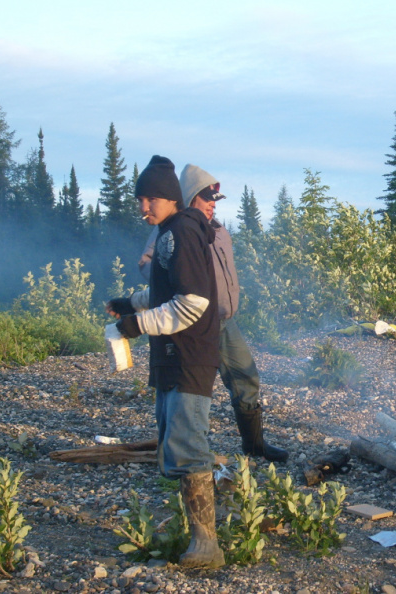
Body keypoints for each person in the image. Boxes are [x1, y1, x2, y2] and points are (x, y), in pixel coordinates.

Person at [106, 155, 224, 569]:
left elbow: (192, 302)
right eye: (140, 199)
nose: (143, 206)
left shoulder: (183, 233)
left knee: (189, 445)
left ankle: (207, 546)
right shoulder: (169, 232)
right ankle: (197, 536)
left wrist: (137, 325)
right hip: (173, 358)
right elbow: (165, 294)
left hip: (189, 356)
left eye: (149, 198)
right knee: (174, 443)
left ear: (171, 198)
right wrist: (129, 305)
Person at [177, 163, 287, 462]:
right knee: (191, 392)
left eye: (216, 198)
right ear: (189, 198)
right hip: (196, 324)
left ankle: (254, 447)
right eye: (207, 198)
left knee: (247, 376)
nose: (213, 204)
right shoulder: (177, 229)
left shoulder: (219, 230)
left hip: (226, 321)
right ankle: (183, 459)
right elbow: (150, 262)